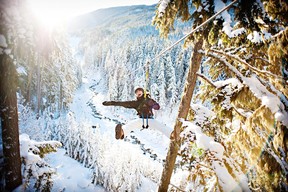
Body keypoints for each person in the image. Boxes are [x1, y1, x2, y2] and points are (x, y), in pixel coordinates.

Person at [102, 87, 172, 139]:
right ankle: (122, 132)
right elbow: (123, 104)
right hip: (140, 120)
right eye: (137, 93)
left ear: (143, 93)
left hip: (150, 120)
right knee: (131, 124)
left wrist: (152, 104)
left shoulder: (149, 100)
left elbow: (157, 107)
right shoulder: (135, 103)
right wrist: (111, 103)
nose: (139, 94)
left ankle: (172, 134)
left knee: (161, 126)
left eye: (140, 92)